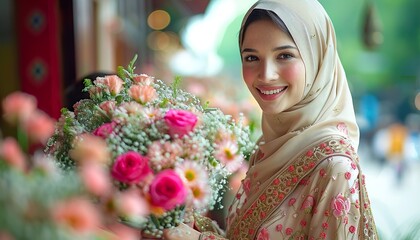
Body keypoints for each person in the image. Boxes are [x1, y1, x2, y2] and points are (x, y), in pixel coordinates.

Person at [163, 0, 378, 239]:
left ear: (318, 58)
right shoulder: (270, 146)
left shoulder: (334, 166)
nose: (266, 75)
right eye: (252, 58)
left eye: (284, 55)